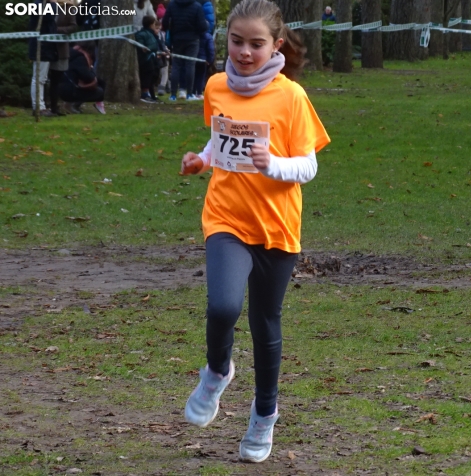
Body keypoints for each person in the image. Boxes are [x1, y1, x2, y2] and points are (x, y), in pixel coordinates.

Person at [179, 0, 329, 464]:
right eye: (236, 42)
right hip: (226, 217)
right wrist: (202, 160)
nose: (245, 52)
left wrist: (274, 165)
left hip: (277, 227)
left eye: (256, 44)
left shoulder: (292, 97)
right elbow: (218, 138)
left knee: (266, 325)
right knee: (223, 305)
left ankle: (264, 415)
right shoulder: (216, 85)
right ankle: (217, 372)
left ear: (276, 44)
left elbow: (309, 164)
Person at [162, 0, 207, 101]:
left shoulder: (172, 4)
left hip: (177, 39)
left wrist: (171, 31)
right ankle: (189, 94)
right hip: (192, 40)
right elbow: (202, 26)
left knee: (176, 66)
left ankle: (173, 95)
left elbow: (165, 22)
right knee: (190, 65)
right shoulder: (197, 6)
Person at [48, 0, 78, 116]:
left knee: (56, 79)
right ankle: (44, 105)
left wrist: (58, 31)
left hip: (61, 49)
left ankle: (54, 107)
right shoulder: (46, 7)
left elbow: (73, 26)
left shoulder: (68, 9)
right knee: (44, 79)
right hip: (47, 48)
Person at [28, 0, 57, 116]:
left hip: (45, 46)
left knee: (42, 78)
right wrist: (53, 4)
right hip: (42, 47)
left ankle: (40, 105)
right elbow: (50, 16)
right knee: (38, 78)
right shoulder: (39, 5)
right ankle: (38, 106)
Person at [59, 41, 106, 114]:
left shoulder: (73, 55)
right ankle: (71, 104)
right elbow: (87, 76)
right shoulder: (81, 58)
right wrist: (91, 70)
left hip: (63, 86)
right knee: (99, 92)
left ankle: (73, 104)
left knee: (101, 82)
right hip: (69, 89)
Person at [134, 15, 162, 103]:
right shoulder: (142, 34)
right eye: (154, 24)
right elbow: (141, 45)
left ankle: (151, 94)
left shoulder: (152, 34)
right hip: (146, 59)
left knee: (153, 75)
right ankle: (144, 94)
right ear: (151, 24)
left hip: (152, 58)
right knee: (147, 75)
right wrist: (145, 48)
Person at [192, 29, 215, 99]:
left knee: (194, 76)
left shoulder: (194, 35)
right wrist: (210, 60)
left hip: (194, 58)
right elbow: (210, 49)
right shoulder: (208, 37)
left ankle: (192, 92)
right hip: (203, 59)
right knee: (201, 76)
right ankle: (199, 92)